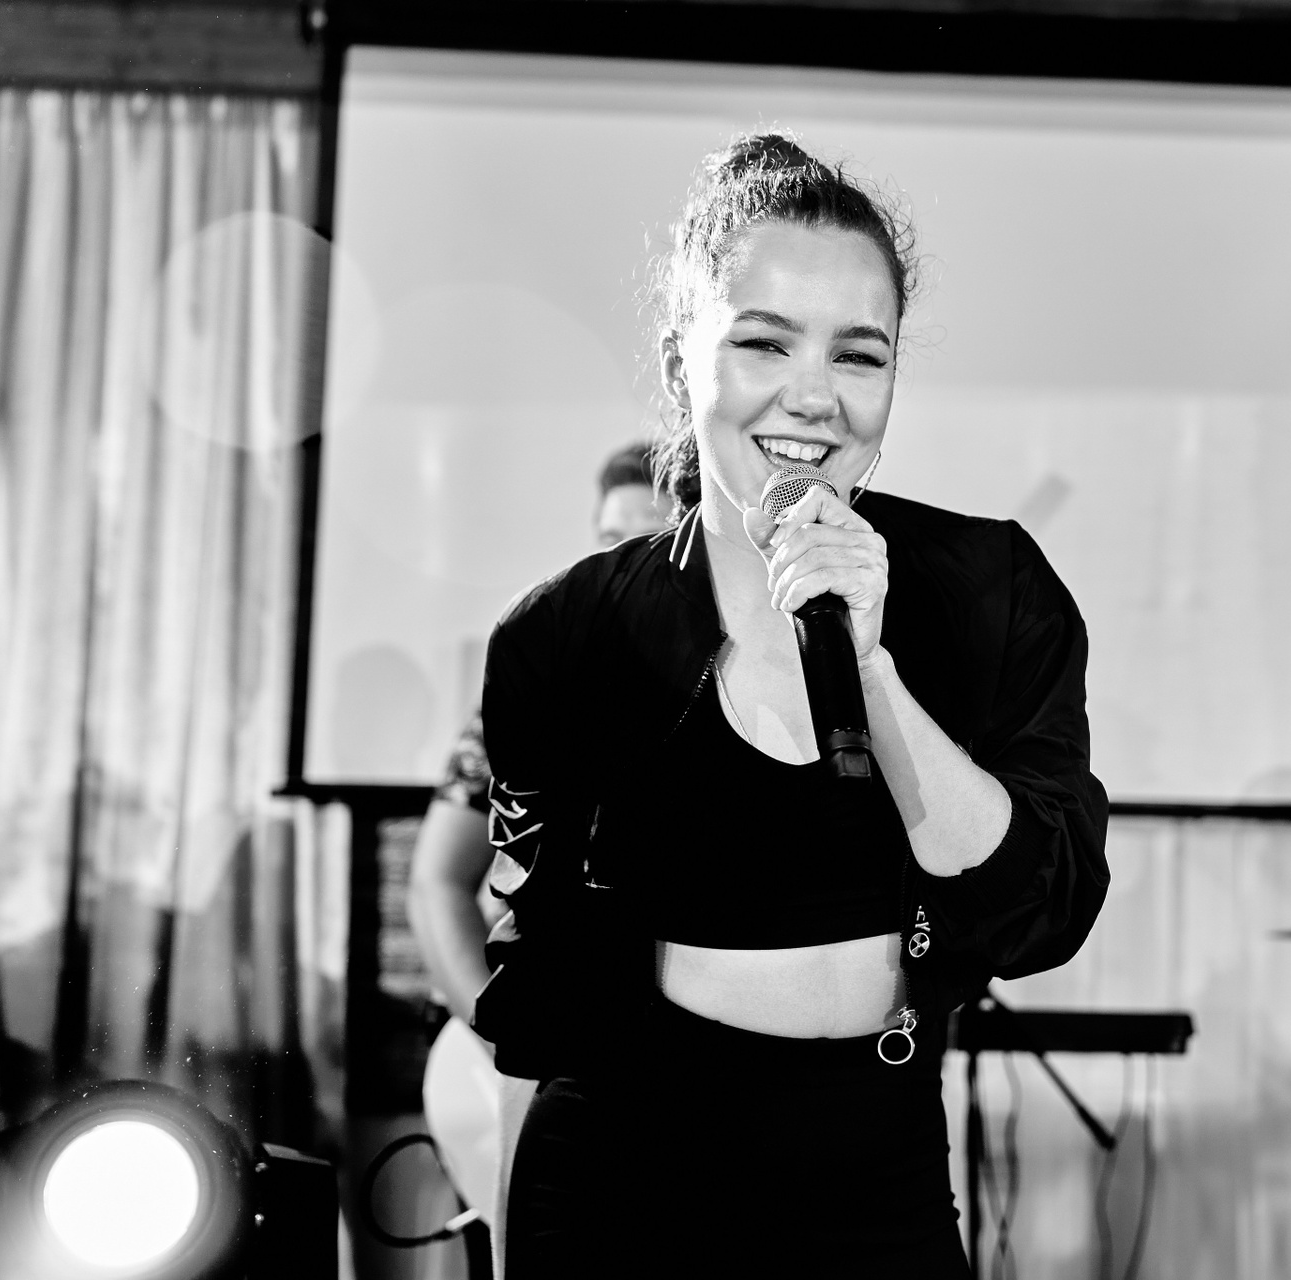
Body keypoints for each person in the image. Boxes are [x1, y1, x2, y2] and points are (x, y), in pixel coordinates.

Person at [473, 135, 1109, 1277]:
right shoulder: (565, 636)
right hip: (628, 1169)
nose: (814, 398)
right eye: (764, 342)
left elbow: (1039, 912)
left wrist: (872, 664)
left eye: (859, 355)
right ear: (682, 363)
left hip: (879, 1160)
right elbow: (541, 980)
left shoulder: (991, 593)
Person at [406, 442, 671, 1270]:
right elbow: (437, 881)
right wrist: (496, 1037)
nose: (623, 561)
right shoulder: (537, 679)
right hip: (553, 1061)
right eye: (610, 538)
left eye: (652, 536)